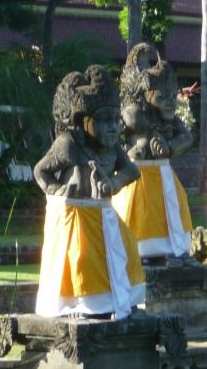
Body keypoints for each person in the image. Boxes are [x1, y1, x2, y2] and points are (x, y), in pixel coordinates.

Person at [33, 67, 145, 319]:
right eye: (104, 121)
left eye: (115, 120)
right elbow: (40, 171)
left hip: (104, 214)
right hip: (77, 219)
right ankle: (81, 304)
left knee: (127, 251)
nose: (113, 128)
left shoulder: (112, 148)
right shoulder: (68, 146)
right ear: (81, 121)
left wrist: (113, 183)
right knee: (82, 260)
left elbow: (132, 171)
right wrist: (57, 191)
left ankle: (121, 301)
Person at [111, 43, 195, 259]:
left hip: (164, 175)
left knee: (170, 214)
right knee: (140, 220)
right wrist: (150, 135)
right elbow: (132, 117)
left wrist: (170, 147)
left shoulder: (171, 121)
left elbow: (187, 137)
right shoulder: (135, 113)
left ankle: (172, 251)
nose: (170, 103)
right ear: (145, 96)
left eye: (173, 96)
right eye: (161, 97)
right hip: (138, 178)